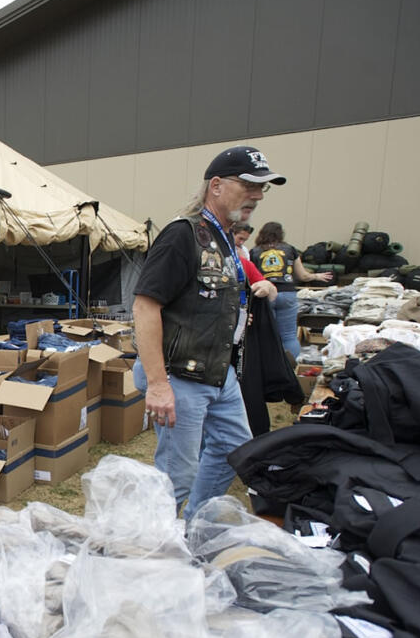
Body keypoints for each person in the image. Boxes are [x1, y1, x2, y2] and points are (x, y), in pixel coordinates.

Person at [132, 145, 286, 519]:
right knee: (176, 475)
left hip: (219, 372)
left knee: (236, 448)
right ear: (215, 185)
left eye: (263, 187)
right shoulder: (181, 236)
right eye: (249, 184)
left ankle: (193, 525)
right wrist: (157, 384)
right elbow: (145, 306)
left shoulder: (227, 240)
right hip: (180, 374)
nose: (258, 195)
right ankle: (150, 552)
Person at [250, 221, 332, 360]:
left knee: (266, 334)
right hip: (287, 293)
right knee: (288, 335)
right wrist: (317, 276)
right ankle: (290, 367)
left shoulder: (255, 251)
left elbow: (250, 276)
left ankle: (268, 366)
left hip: (265, 294)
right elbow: (303, 276)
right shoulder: (290, 249)